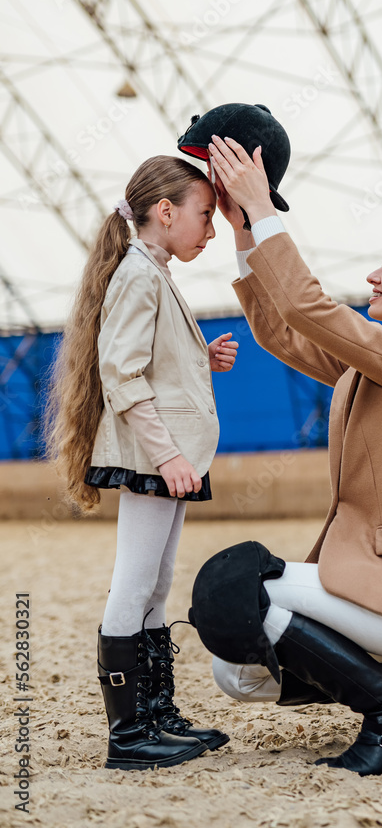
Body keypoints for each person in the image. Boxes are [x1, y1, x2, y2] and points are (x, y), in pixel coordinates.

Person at [197, 133, 382, 777]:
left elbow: (311, 305)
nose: (373, 276)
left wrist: (263, 210)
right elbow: (284, 327)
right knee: (235, 673)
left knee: (239, 596)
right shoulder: (377, 365)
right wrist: (244, 232)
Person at [46, 155, 238, 770]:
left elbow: (148, 362)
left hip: (169, 458)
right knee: (134, 583)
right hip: (156, 458)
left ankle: (157, 715)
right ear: (165, 212)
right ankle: (128, 734)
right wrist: (168, 455)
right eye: (205, 216)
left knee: (155, 583)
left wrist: (198, 358)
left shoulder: (152, 271)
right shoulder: (138, 274)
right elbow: (120, 372)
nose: (210, 230)